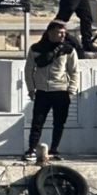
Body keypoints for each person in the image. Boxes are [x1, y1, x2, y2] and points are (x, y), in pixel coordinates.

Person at [24, 20, 79, 162]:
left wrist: (71, 90)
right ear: (50, 32)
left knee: (59, 123)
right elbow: (28, 70)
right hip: (42, 91)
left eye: (64, 33)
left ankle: (54, 150)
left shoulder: (68, 49)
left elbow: (74, 71)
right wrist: (31, 89)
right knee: (37, 122)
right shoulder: (36, 48)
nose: (62, 35)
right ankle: (31, 150)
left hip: (61, 90)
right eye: (59, 32)